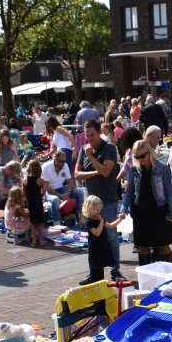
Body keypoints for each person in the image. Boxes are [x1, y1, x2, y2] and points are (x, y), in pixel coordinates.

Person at [75, 120, 123, 279]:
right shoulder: (83, 150)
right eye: (87, 136)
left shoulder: (109, 148)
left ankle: (115, 270)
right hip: (91, 203)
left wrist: (91, 158)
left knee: (111, 236)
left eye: (92, 135)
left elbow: (106, 171)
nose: (89, 139)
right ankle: (95, 272)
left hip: (108, 200)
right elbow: (77, 174)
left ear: (99, 133)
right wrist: (95, 172)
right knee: (93, 239)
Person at [123, 139, 172, 264]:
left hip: (159, 211)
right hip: (140, 212)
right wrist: (124, 208)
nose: (140, 159)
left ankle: (166, 276)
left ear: (149, 152)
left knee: (163, 246)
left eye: (142, 156)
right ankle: (145, 277)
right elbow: (130, 191)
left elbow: (169, 191)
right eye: (136, 156)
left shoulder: (162, 168)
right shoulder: (135, 170)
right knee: (143, 247)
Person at [81, 195, 125, 286]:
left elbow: (111, 226)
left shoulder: (99, 218)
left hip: (102, 247)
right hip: (95, 250)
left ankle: (101, 292)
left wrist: (120, 219)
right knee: (95, 271)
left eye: (99, 209)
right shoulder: (89, 221)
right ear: (89, 208)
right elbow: (97, 233)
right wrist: (101, 222)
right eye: (96, 209)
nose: (99, 211)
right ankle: (92, 284)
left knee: (101, 272)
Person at [43, 150, 85, 227]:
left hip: (61, 189)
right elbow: (46, 186)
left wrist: (68, 193)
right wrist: (60, 195)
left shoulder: (65, 165)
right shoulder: (46, 167)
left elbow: (70, 182)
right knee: (56, 199)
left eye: (65, 161)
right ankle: (57, 222)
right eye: (62, 161)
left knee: (80, 193)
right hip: (49, 192)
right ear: (55, 160)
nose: (64, 163)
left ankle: (80, 218)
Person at [24, 160, 48, 246]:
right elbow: (44, 192)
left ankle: (33, 240)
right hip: (38, 202)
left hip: (30, 203)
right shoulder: (40, 180)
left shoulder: (25, 180)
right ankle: (41, 240)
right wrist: (40, 195)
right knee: (40, 223)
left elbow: (24, 194)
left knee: (32, 222)